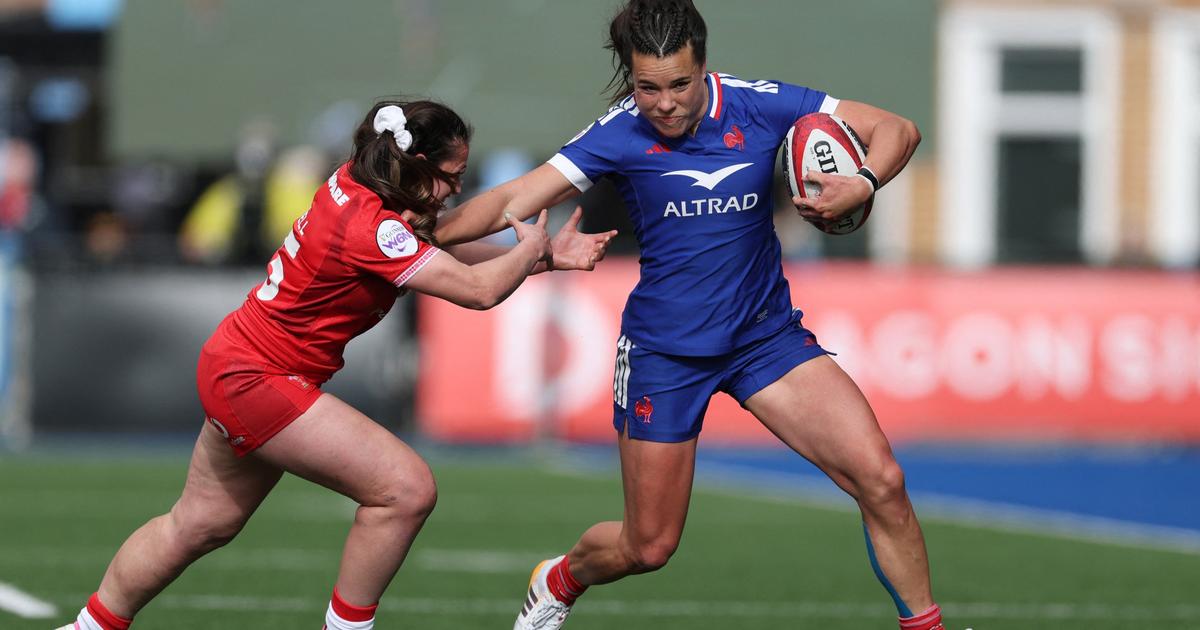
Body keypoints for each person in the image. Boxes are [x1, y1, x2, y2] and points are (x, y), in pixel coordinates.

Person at [434, 2, 943, 629]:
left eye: (680, 84)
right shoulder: (618, 133)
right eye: (649, 87)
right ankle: (559, 578)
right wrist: (421, 228)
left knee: (883, 481)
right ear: (631, 78)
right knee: (648, 547)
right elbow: (514, 198)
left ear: (704, 67)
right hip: (665, 353)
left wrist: (862, 181)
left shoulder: (763, 104)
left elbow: (898, 128)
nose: (665, 102)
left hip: (764, 340)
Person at [54, 99, 613, 630]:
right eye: (451, 174)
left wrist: (543, 259)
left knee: (198, 524)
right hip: (259, 379)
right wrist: (532, 245)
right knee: (405, 489)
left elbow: (430, 245)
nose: (458, 188)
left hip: (239, 362)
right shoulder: (373, 225)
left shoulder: (363, 185)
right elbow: (477, 290)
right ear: (416, 165)